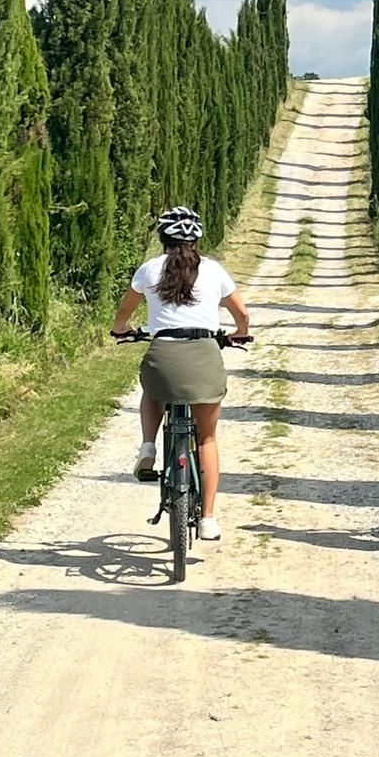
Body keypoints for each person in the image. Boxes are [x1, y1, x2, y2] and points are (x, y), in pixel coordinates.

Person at [111, 207, 250, 542]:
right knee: (207, 438)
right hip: (204, 356)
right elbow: (242, 313)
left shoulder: (149, 270)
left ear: (163, 239)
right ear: (197, 240)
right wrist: (238, 333)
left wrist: (122, 331)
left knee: (153, 389)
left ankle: (148, 446)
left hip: (164, 356)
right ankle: (209, 519)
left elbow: (123, 312)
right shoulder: (214, 271)